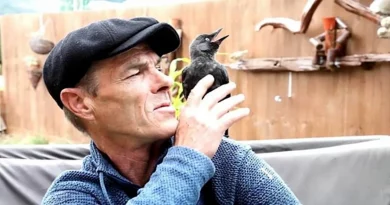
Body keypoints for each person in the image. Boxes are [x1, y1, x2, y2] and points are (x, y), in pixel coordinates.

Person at [41, 17, 301, 205]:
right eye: (135, 72)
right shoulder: (73, 194)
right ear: (81, 103)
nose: (167, 81)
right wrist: (187, 158)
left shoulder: (226, 160)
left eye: (158, 67)